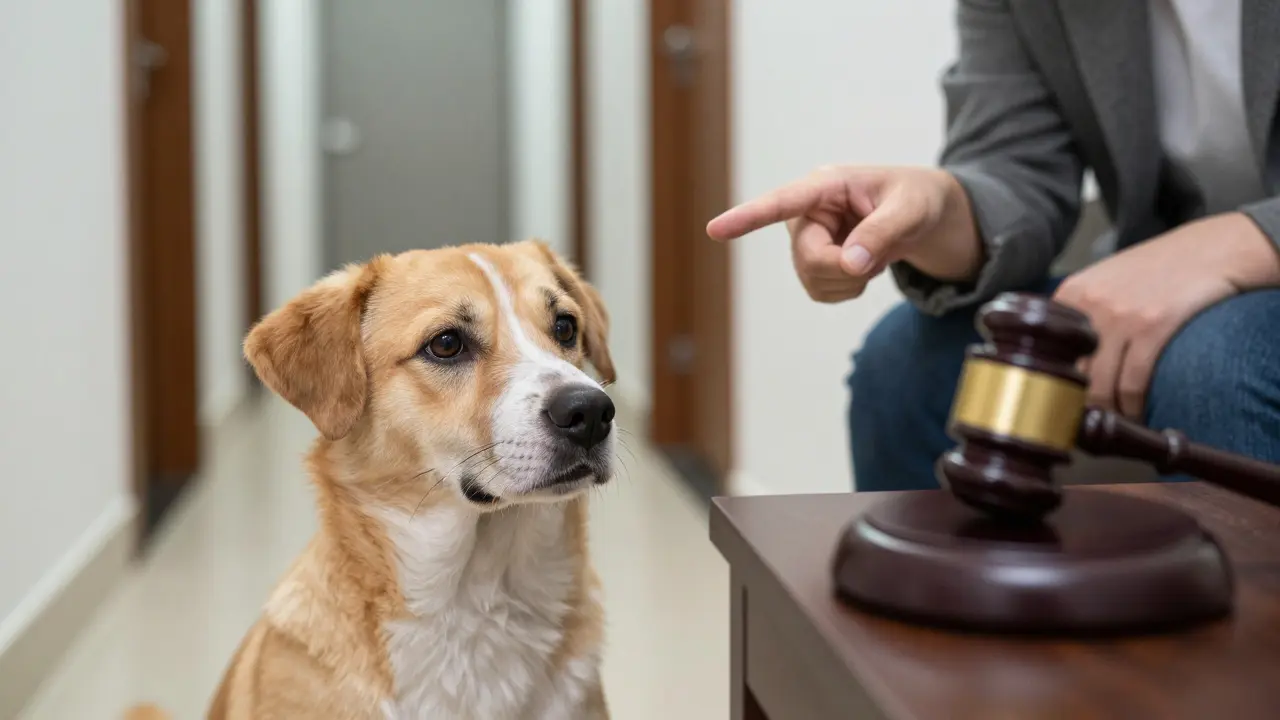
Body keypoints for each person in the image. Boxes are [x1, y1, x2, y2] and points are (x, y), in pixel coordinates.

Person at [707, 0, 1280, 491]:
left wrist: (1235, 243)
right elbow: (1020, 167)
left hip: (1234, 293)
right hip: (1162, 266)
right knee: (903, 366)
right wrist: (937, 208)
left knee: (1215, 365)